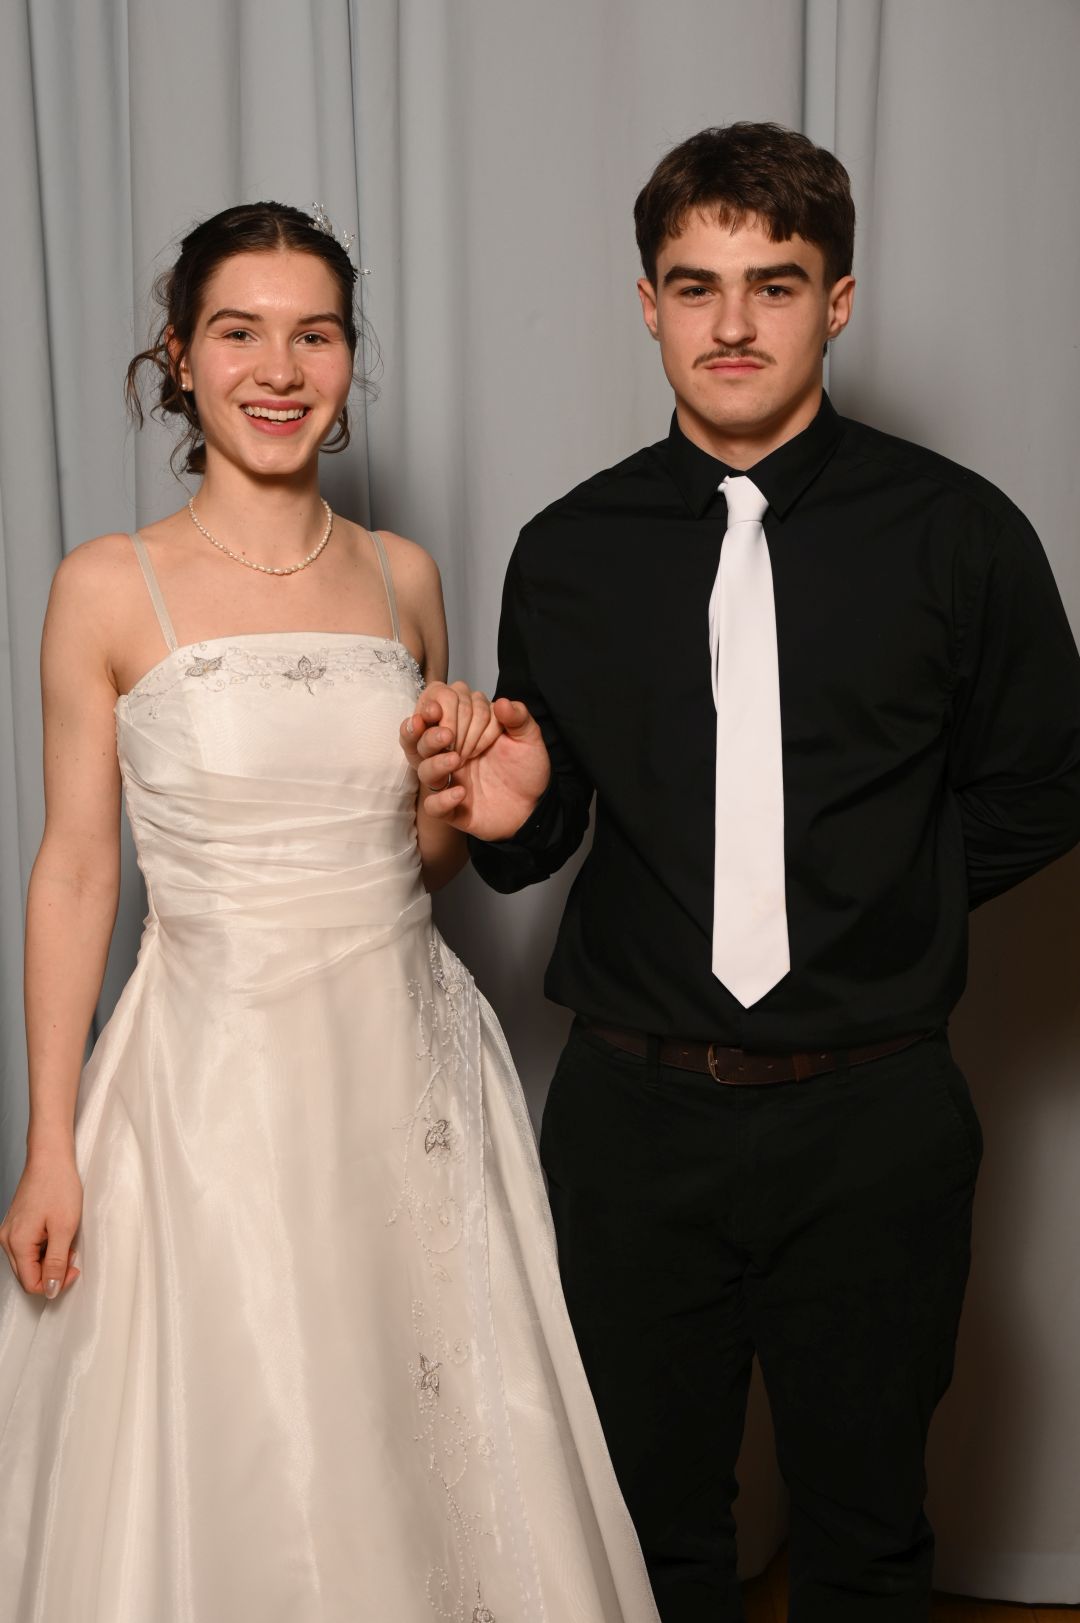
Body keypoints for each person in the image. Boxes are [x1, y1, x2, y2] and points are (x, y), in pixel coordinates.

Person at [405, 123, 1080, 1622]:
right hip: (632, 1120)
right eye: (695, 285)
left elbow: (1047, 783)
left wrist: (882, 902)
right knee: (642, 1543)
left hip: (874, 1112)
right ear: (646, 302)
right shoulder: (569, 549)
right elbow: (542, 840)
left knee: (868, 1535)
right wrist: (513, 811)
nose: (731, 323)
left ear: (837, 302)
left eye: (773, 285)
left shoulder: (959, 534)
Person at [0, 202, 661, 1623]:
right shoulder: (105, 586)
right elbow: (75, 870)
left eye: (315, 335)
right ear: (179, 355)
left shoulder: (402, 574)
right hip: (205, 1092)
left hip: (405, 1075)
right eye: (239, 331)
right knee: (248, 1440)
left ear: (351, 359)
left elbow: (421, 861)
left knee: (422, 1445)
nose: (278, 369)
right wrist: (49, 1143)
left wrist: (458, 793)